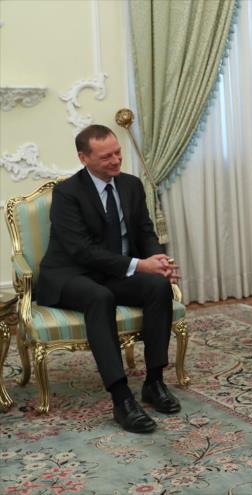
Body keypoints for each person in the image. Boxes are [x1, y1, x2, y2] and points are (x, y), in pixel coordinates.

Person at [35, 124, 181, 434]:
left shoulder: (131, 185)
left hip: (114, 272)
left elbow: (144, 232)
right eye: (106, 157)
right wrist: (140, 265)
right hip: (70, 274)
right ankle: (121, 398)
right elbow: (81, 251)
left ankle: (154, 382)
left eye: (118, 153)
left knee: (158, 287)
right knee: (99, 297)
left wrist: (158, 261)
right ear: (84, 158)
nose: (116, 161)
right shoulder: (67, 193)